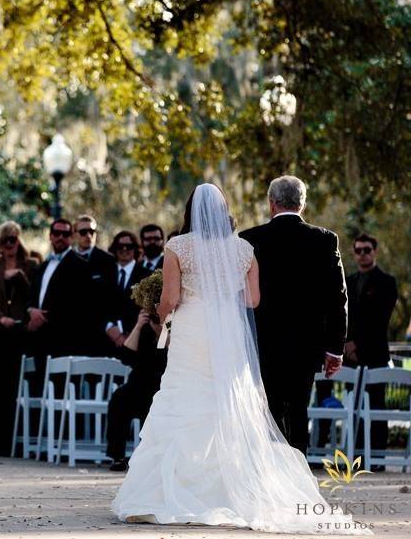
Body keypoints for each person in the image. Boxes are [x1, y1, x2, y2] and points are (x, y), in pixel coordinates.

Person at [113, 183, 367, 534]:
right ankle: (229, 490)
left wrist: (158, 307)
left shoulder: (179, 246)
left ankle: (173, 491)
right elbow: (252, 300)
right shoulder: (243, 248)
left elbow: (170, 299)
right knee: (226, 404)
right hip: (228, 334)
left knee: (182, 397)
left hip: (191, 333)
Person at [240, 175, 347, 455]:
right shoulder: (324, 240)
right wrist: (335, 349)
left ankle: (270, 474)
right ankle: (298, 473)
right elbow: (337, 298)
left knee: (269, 408)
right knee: (299, 408)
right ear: (302, 204)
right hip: (306, 343)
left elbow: (238, 297)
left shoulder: (249, 239)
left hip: (262, 341)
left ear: (271, 204)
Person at [0, 221, 37, 455]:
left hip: (19, 332)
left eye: (13, 239)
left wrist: (20, 276)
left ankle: (9, 442)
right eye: (5, 241)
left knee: (12, 387)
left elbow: (33, 294)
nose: (10, 244)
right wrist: (0, 317)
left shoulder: (31, 265)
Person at [345, 233, 397, 461]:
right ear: (354, 253)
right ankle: (355, 456)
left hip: (375, 354)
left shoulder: (387, 282)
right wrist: (347, 344)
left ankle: (377, 458)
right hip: (350, 357)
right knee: (352, 405)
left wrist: (358, 344)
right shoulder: (348, 280)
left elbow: (380, 319)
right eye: (359, 250)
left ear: (374, 251)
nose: (363, 254)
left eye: (367, 250)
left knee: (376, 406)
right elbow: (343, 316)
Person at [105, 310, 166, 471]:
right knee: (119, 399)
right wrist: (139, 326)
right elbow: (126, 357)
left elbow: (169, 355)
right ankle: (117, 456)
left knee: (155, 404)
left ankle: (152, 456)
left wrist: (160, 330)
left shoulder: (169, 326)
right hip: (138, 382)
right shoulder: (142, 329)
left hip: (160, 385)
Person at [27, 220, 94, 360]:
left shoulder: (81, 265)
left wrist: (43, 318)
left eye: (65, 234)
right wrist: (31, 311)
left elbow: (79, 304)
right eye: (56, 233)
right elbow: (32, 296)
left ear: (71, 237)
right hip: (38, 339)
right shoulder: (42, 266)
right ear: (50, 236)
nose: (60, 237)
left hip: (64, 340)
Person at [106, 231, 150, 348]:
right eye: (120, 246)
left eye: (129, 246)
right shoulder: (105, 273)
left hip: (137, 342)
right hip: (107, 342)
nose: (124, 249)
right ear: (114, 248)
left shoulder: (146, 276)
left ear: (135, 249)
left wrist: (129, 335)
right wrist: (110, 328)